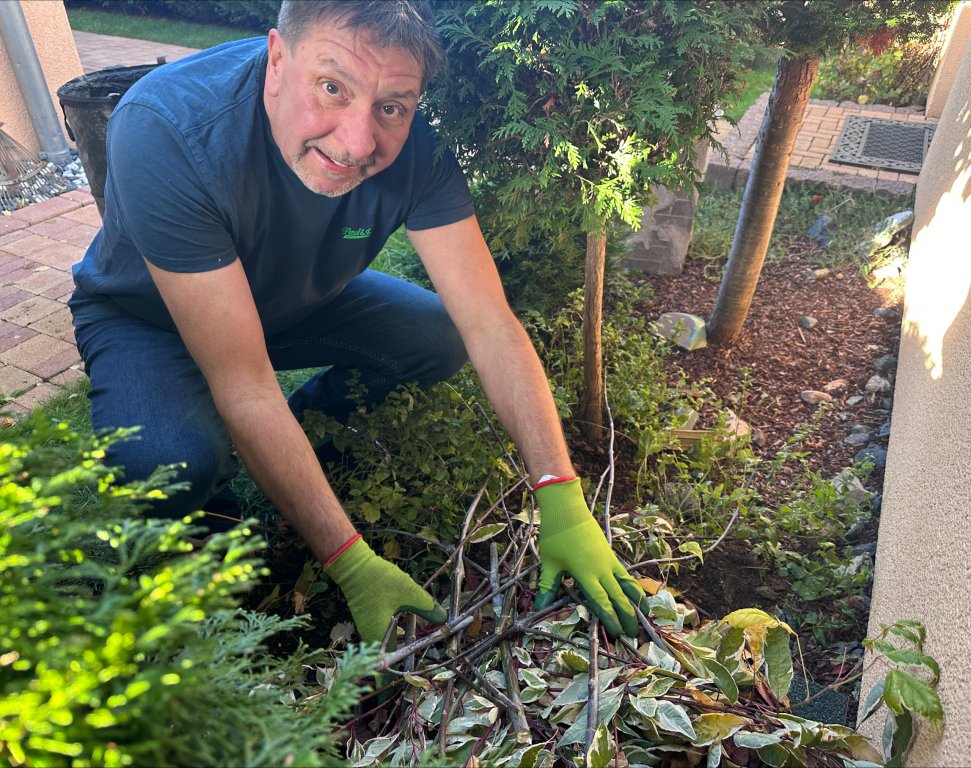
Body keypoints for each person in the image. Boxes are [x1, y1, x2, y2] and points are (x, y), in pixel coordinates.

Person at [69, 0, 648, 644]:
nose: (357, 142)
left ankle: (310, 432)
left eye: (392, 107)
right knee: (168, 465)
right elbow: (245, 383)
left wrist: (559, 491)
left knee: (442, 336)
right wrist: (349, 558)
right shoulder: (165, 127)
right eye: (332, 87)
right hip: (147, 316)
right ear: (277, 59)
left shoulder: (416, 150)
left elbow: (490, 324)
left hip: (295, 300)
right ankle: (215, 514)